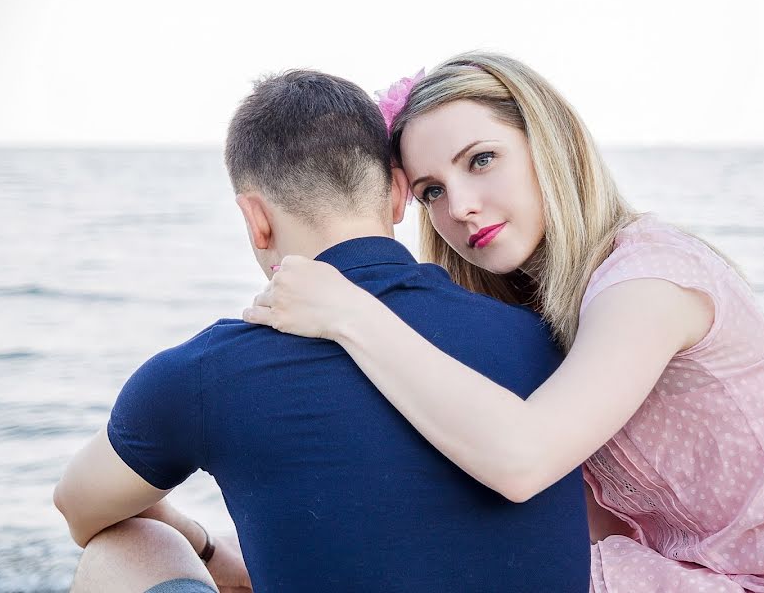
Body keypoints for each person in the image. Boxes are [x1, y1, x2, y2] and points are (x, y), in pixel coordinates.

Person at [243, 52, 764, 591]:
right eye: (431, 190)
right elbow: (559, 518)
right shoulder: (533, 315)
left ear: (551, 145)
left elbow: (522, 459)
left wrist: (352, 312)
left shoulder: (648, 279)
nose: (460, 206)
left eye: (482, 160)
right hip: (702, 572)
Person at [52, 69, 592, 593]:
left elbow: (79, 509)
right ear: (399, 194)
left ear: (255, 217)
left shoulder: (204, 372)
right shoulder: (545, 335)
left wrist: (196, 541)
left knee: (125, 546)